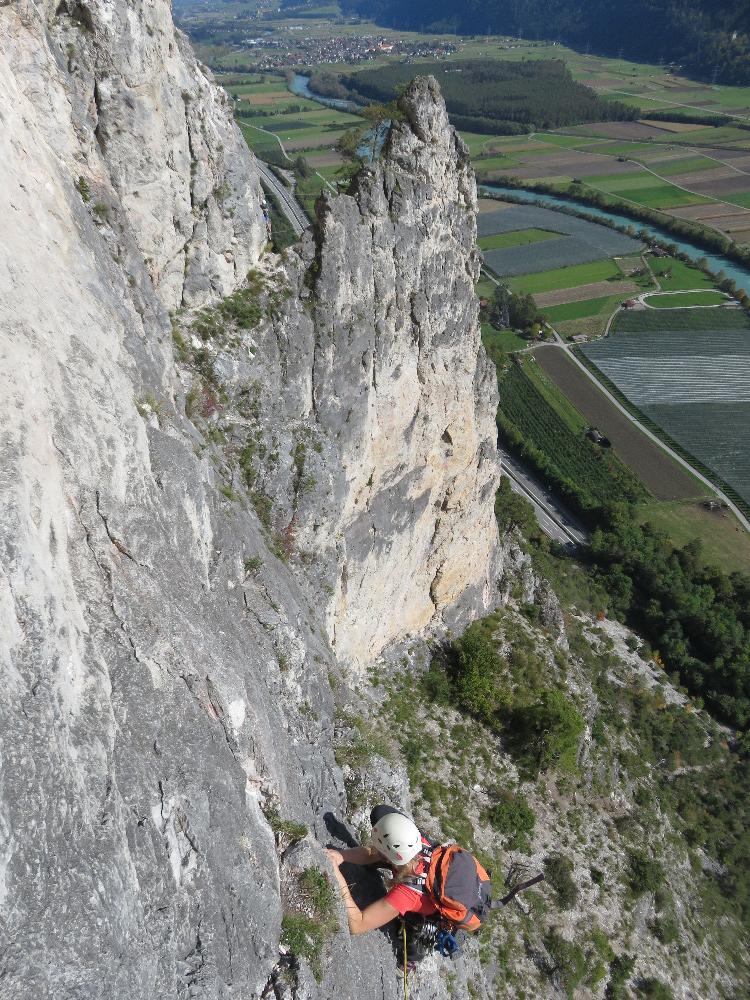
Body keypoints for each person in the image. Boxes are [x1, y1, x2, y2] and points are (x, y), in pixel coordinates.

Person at [326, 806, 439, 965]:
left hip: (435, 911)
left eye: (381, 852)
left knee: (417, 931)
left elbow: (357, 924)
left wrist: (336, 875)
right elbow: (373, 853)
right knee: (380, 813)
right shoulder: (416, 842)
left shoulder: (407, 894)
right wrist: (341, 856)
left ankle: (412, 959)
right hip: (421, 869)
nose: (374, 849)